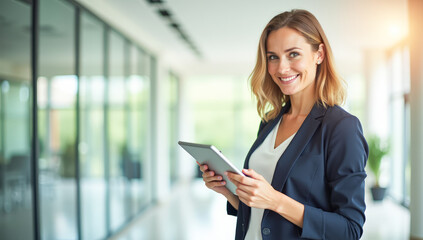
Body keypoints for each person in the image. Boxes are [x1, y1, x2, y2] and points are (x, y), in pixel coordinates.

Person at [197, 9, 368, 240]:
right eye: (273, 57)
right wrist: (227, 190)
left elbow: (350, 230)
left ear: (319, 54)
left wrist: (276, 201)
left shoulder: (341, 127)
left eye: (293, 54)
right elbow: (262, 216)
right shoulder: (269, 121)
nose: (281, 68)